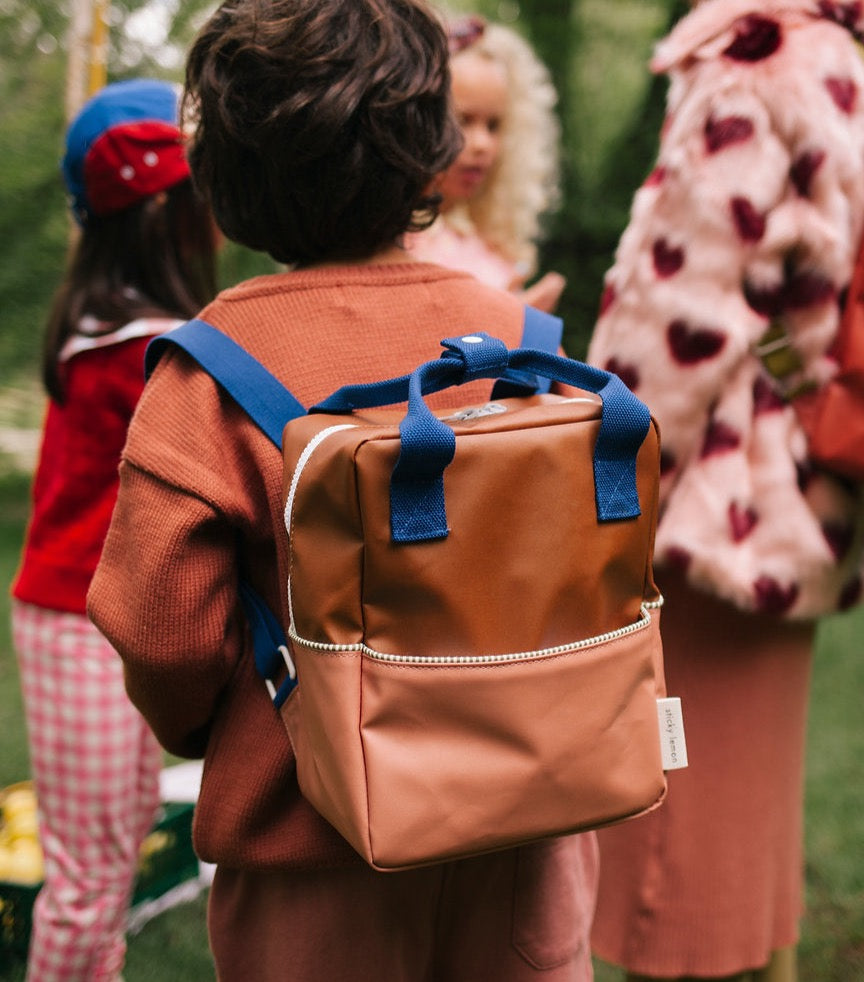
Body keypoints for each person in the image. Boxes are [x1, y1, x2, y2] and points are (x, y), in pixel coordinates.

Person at [86, 1, 598, 978]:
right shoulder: (528, 341)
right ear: (430, 148)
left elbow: (164, 632)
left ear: (227, 171)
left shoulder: (207, 374)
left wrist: (226, 724)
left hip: (313, 853)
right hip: (530, 833)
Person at [585, 0, 864, 978]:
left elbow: (681, 303)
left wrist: (607, 478)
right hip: (805, 486)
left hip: (710, 502)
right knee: (747, 789)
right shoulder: (858, 63)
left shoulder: (751, 63)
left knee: (675, 807)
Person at [9, 78, 218, 981]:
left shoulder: (126, 332)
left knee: (119, 845)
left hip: (109, 616)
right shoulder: (129, 349)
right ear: (162, 209)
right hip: (76, 621)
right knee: (90, 880)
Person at [407, 13, 567, 313]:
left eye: (494, 126)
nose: (482, 144)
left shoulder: (486, 240)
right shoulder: (396, 246)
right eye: (462, 121)